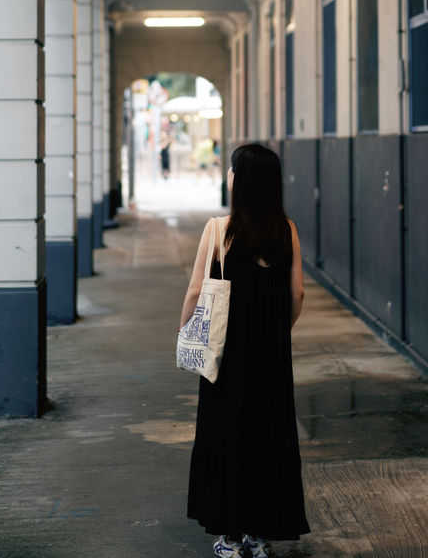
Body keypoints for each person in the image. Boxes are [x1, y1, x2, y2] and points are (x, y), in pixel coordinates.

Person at [179, 143, 310, 557]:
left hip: (225, 357)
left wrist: (186, 331)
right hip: (271, 358)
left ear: (239, 181)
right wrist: (276, 331)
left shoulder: (218, 230)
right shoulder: (286, 230)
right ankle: (260, 532)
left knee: (226, 437)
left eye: (233, 170)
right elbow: (298, 293)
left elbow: (197, 289)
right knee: (269, 438)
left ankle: (231, 540)